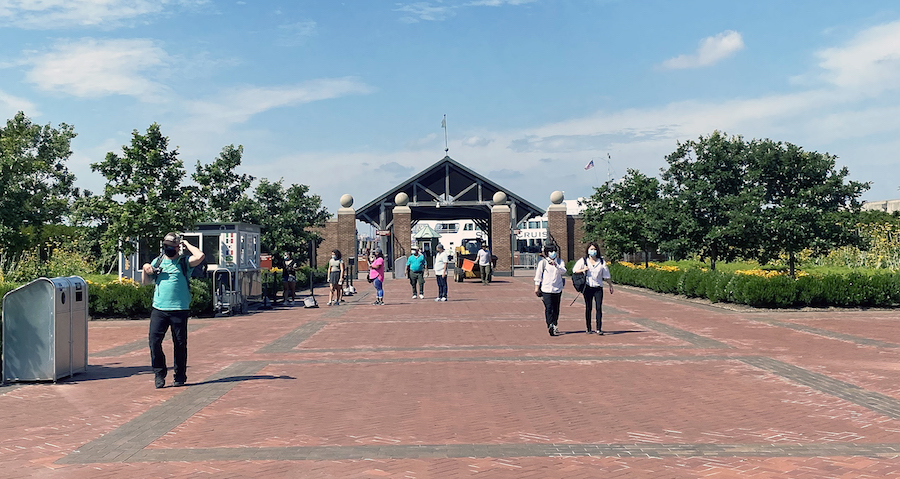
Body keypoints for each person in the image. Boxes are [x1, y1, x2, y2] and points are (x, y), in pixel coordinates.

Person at [142, 232, 205, 389]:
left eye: (171, 246)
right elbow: (145, 282)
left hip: (179, 309)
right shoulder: (159, 261)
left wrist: (187, 244)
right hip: (159, 308)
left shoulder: (184, 262)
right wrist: (145, 269)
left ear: (178, 247)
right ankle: (159, 373)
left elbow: (200, 256)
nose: (168, 249)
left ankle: (180, 376)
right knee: (154, 342)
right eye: (166, 246)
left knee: (180, 343)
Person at [573, 242, 614, 334]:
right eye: (591, 249)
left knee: (598, 307)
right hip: (587, 287)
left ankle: (599, 328)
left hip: (598, 287)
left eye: (594, 249)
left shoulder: (601, 261)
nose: (593, 251)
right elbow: (574, 270)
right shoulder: (583, 261)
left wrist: (610, 285)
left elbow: (606, 275)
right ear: (587, 250)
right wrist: (583, 270)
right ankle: (588, 327)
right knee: (588, 307)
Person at [534, 243, 566, 336]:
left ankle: (555, 324)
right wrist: (536, 287)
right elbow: (538, 276)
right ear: (547, 253)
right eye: (551, 251)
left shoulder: (560, 262)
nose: (553, 253)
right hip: (546, 289)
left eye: (554, 251)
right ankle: (550, 324)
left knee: (556, 308)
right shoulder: (543, 263)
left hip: (557, 289)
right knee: (549, 307)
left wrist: (556, 264)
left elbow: (563, 271)